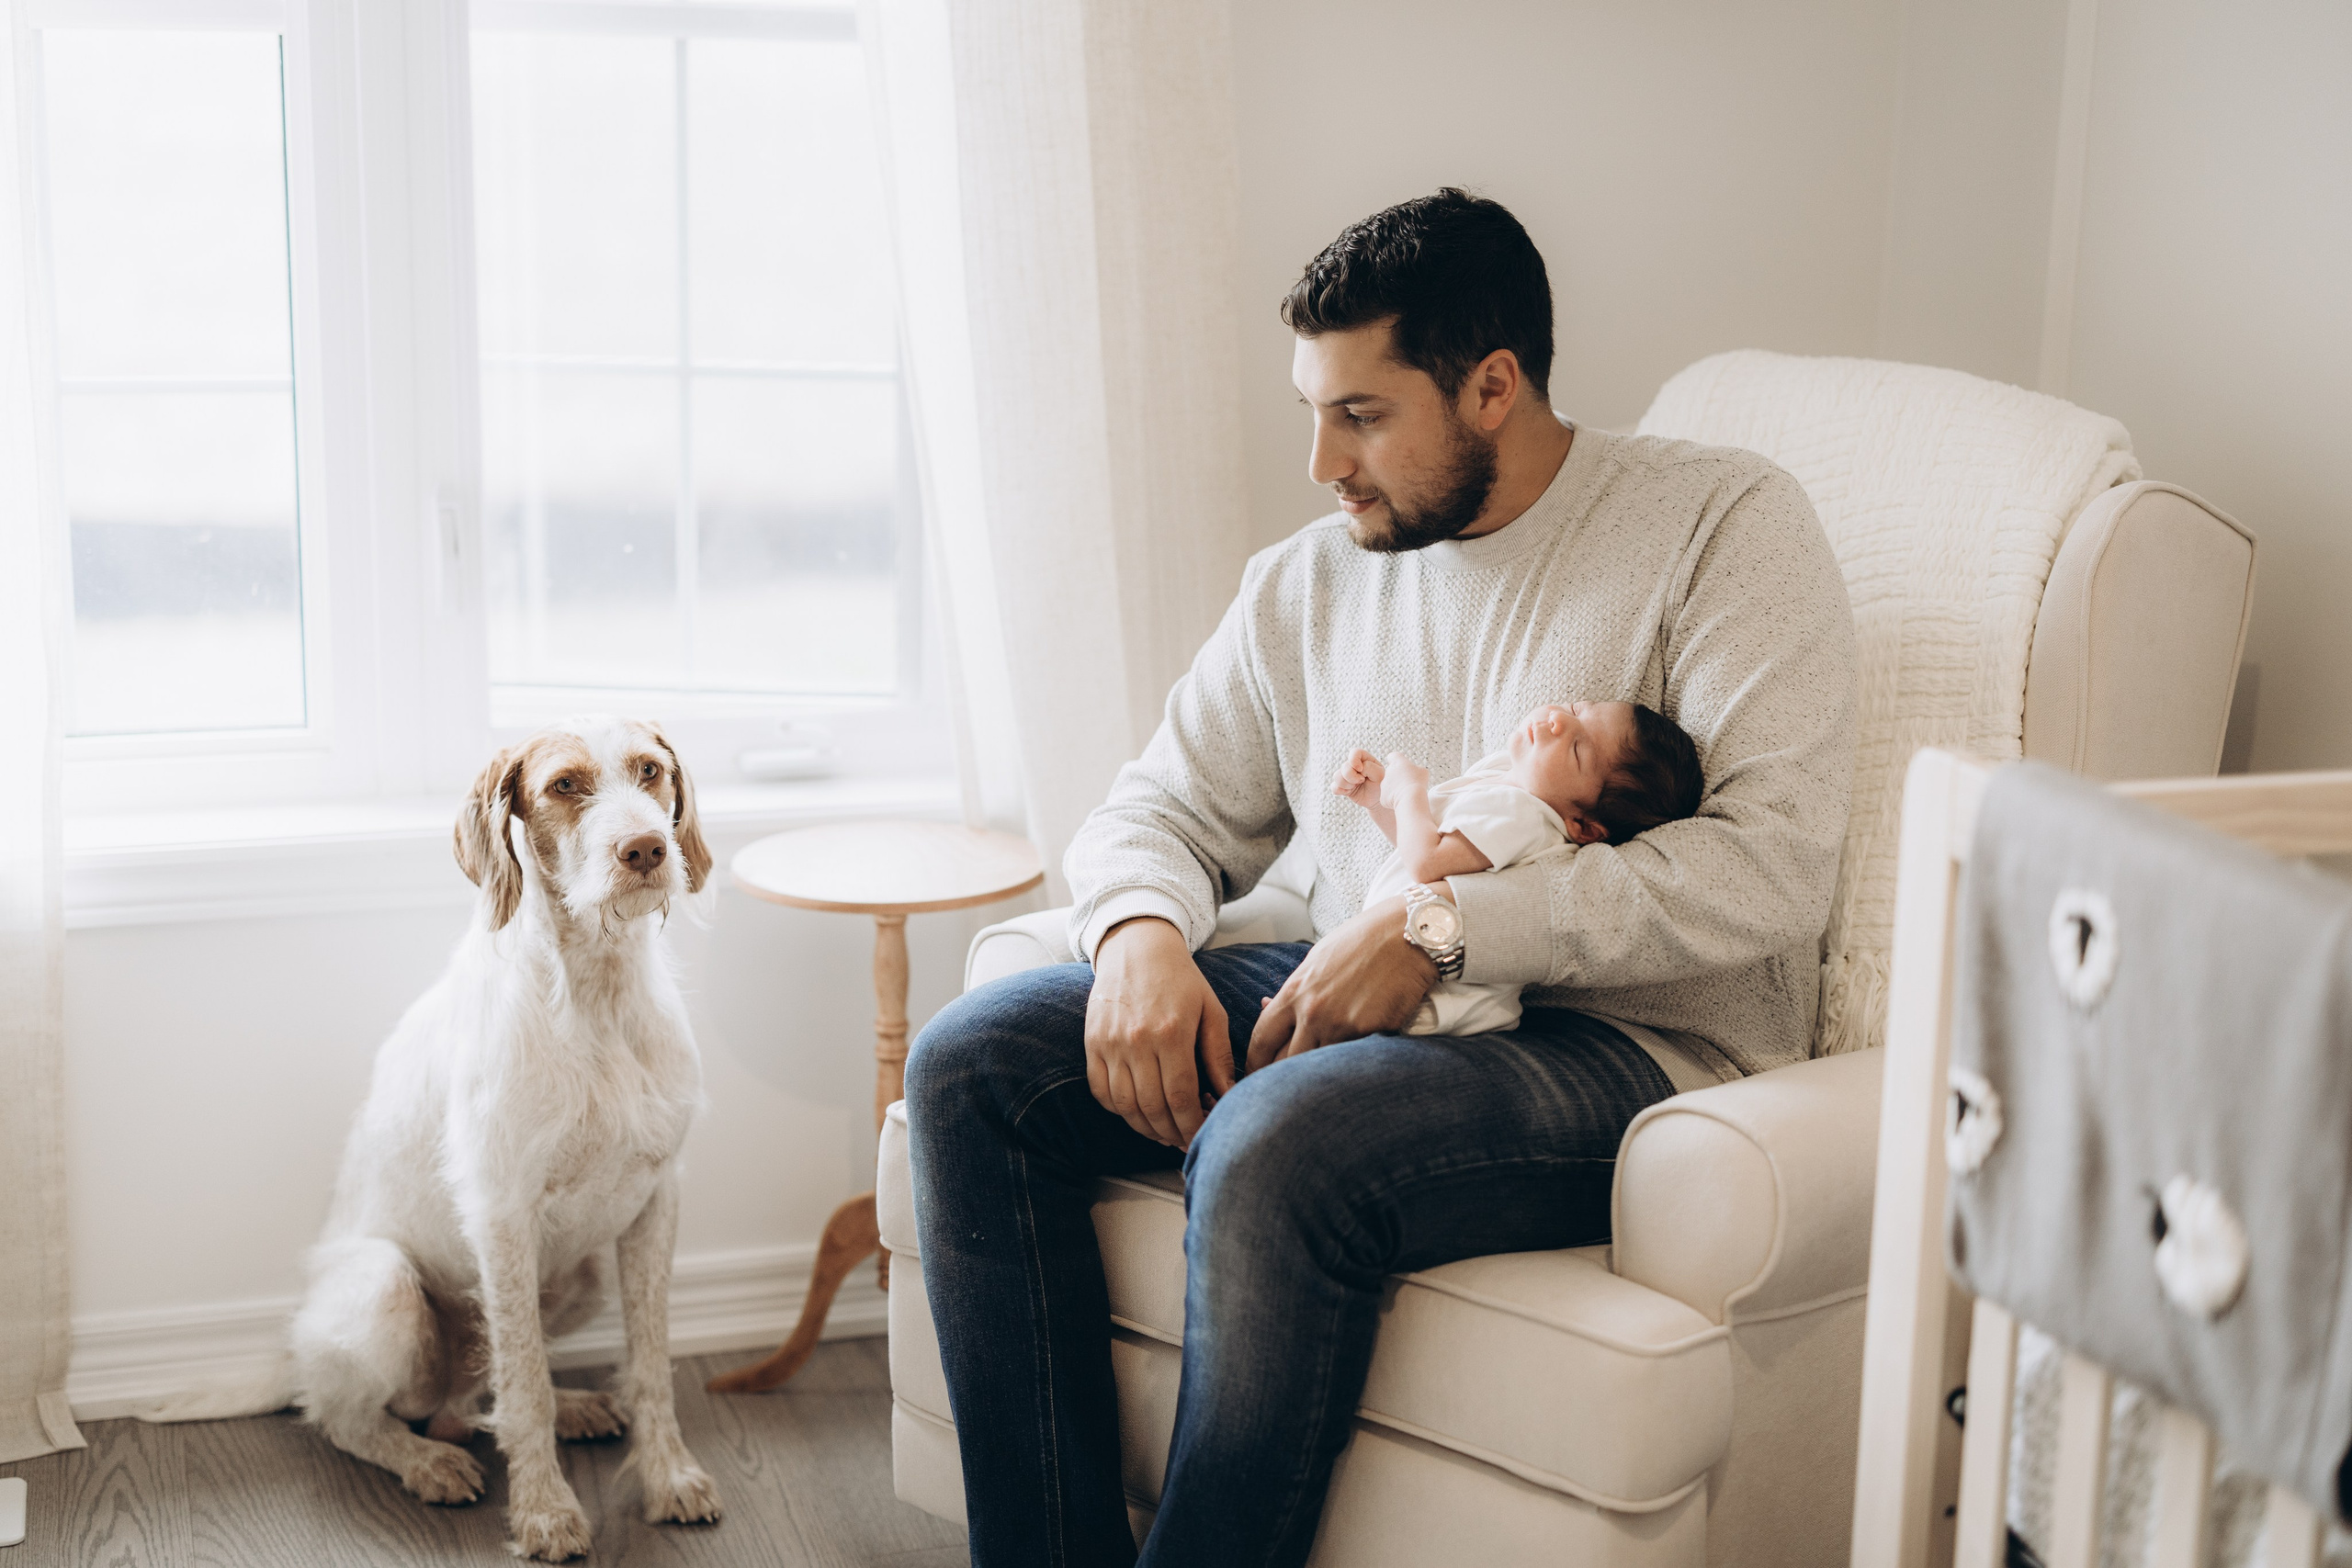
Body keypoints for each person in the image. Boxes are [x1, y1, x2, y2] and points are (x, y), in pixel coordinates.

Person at [903, 187, 1859, 1568]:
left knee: (1277, 1139)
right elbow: (1157, 804)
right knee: (971, 1064)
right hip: (1363, 995)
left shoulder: (1720, 523)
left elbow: (1773, 864)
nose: (1320, 463)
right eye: (1313, 409)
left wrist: (1441, 923)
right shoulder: (1307, 583)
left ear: (1492, 387)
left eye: (1360, 415)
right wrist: (1138, 939)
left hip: (1632, 1045)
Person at [1332, 698, 1704, 1036]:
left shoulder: (1525, 815)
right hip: (1388, 976)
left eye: (1577, 749)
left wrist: (1406, 793)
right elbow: (1418, 848)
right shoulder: (1502, 776)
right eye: (1576, 709)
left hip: (1433, 1011)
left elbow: (1427, 865)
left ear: (1584, 827)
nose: (1558, 720)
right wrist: (1379, 804)